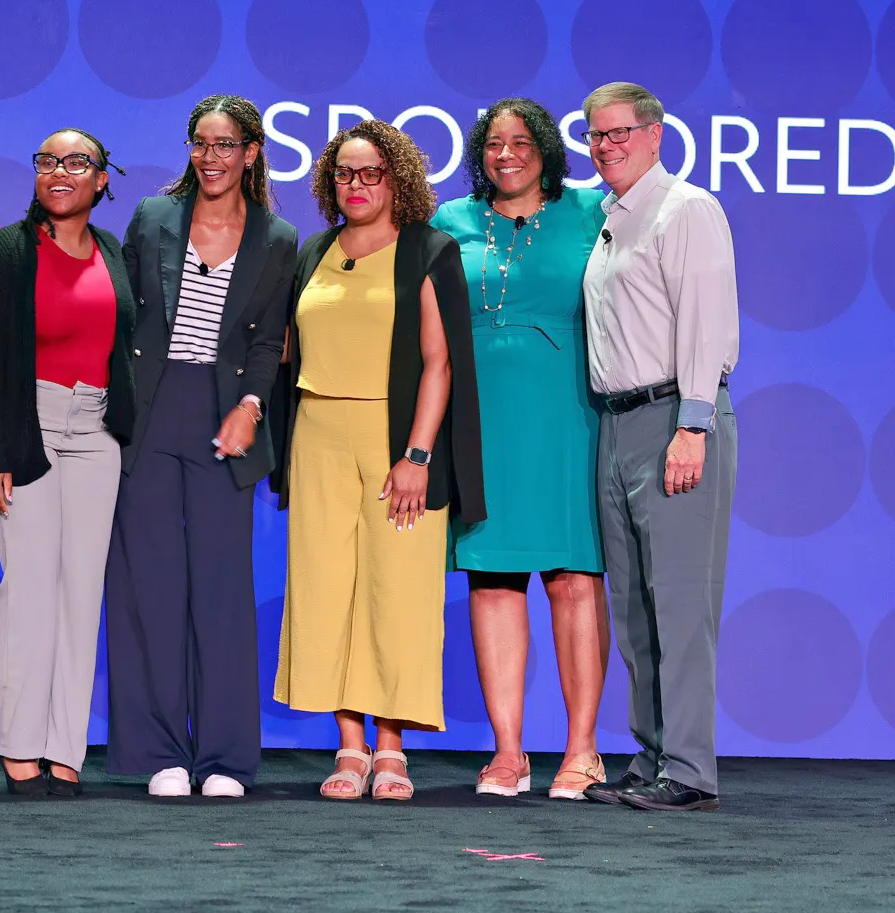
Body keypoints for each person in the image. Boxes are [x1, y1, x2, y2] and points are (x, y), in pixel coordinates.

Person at [271, 120, 485, 801]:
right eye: (344, 174)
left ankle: (392, 746)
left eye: (370, 173)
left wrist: (417, 454)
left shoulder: (427, 248)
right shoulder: (314, 251)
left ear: (398, 179)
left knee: (398, 591)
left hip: (395, 439)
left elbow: (439, 360)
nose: (356, 185)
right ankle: (350, 746)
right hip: (317, 436)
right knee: (327, 588)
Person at [105, 95, 299, 799]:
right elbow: (119, 310)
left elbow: (268, 338)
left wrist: (251, 406)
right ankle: (161, 752)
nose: (211, 157)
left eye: (226, 145)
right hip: (151, 418)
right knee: (151, 586)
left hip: (227, 423)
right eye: (200, 143)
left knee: (221, 590)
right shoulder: (153, 218)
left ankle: (223, 759)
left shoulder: (278, 239)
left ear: (251, 152)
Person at [431, 98, 610, 800]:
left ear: (546, 148)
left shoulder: (591, 213)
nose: (507, 154)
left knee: (572, 578)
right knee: (493, 579)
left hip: (570, 414)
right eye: (493, 143)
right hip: (481, 420)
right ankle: (507, 753)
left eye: (521, 141)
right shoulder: (451, 220)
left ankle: (583, 750)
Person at [576, 82, 739, 814]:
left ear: (655, 135)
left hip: (675, 415)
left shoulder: (686, 211)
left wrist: (692, 426)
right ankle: (649, 758)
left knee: (679, 603)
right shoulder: (610, 221)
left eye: (618, 133)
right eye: (595, 136)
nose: (606, 146)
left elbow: (707, 325)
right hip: (616, 422)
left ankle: (691, 771)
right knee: (634, 606)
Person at [0, 129, 134, 798]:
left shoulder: (112, 250)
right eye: (46, 161)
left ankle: (66, 749)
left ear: (101, 179)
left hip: (96, 435)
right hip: (25, 427)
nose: (58, 172)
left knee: (79, 595)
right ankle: (19, 746)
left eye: (76, 163)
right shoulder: (8, 253)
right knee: (29, 593)